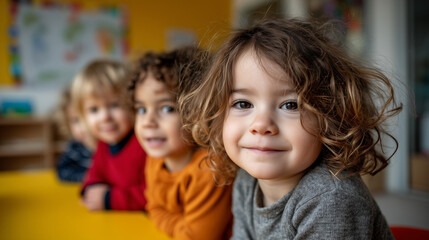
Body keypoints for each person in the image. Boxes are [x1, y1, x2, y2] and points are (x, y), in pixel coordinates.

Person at [179, 18, 402, 239]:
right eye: (243, 104)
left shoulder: (332, 199)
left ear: (330, 118)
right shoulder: (246, 180)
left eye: (291, 105)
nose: (261, 125)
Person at [128, 47, 233, 239]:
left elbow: (195, 237)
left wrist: (168, 221)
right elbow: (152, 207)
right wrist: (179, 224)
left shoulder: (210, 168)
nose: (148, 121)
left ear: (200, 112)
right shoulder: (155, 158)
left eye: (167, 109)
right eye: (141, 109)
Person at [71, 59, 147, 211]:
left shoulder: (144, 143)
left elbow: (157, 193)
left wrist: (108, 199)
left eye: (114, 105)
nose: (105, 117)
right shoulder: (103, 145)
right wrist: (90, 189)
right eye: (94, 110)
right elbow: (94, 175)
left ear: (133, 104)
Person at [54, 86, 96, 182]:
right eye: (76, 120)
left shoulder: (111, 146)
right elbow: (62, 171)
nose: (84, 126)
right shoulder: (75, 147)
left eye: (86, 117)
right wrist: (90, 177)